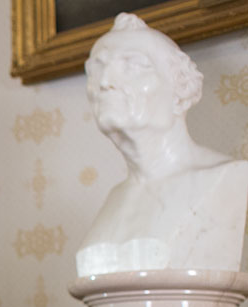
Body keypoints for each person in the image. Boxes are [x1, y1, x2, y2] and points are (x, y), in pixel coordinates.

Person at [76, 12, 248, 278]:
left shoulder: (228, 177)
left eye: (133, 66)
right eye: (95, 69)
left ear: (181, 91)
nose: (104, 82)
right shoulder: (115, 198)